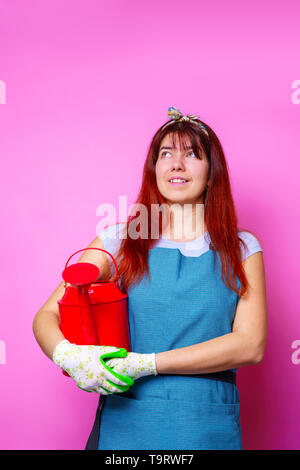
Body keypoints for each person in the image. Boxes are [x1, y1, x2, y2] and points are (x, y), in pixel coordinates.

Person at [33, 106, 267, 450]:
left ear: (211, 171)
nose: (176, 164)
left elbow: (251, 344)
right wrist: (69, 356)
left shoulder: (242, 247)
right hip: (127, 428)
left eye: (192, 154)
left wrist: (147, 364)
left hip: (206, 425)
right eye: (166, 153)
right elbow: (47, 315)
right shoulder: (120, 242)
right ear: (154, 168)